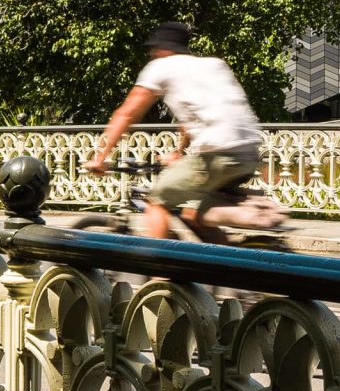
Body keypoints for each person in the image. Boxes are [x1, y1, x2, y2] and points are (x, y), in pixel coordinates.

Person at [86, 22, 275, 241]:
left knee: (156, 202)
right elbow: (192, 120)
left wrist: (100, 157)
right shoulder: (213, 65)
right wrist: (178, 152)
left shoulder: (161, 67)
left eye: (153, 50)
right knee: (192, 214)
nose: (152, 54)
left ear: (163, 49)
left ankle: (162, 273)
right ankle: (223, 269)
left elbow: (127, 113)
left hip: (218, 155)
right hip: (248, 153)